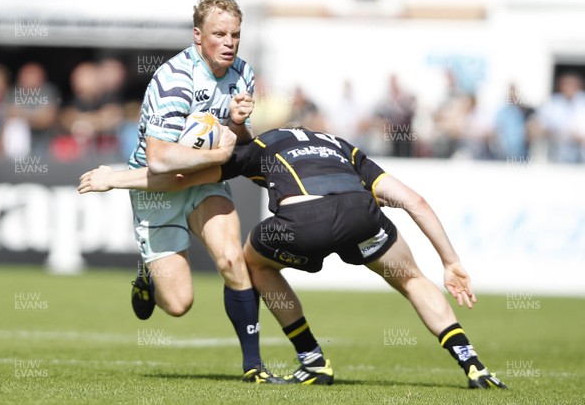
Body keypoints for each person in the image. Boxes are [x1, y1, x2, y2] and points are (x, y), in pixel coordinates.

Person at [78, 127, 508, 390]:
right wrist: (450, 262)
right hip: (361, 214)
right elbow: (414, 200)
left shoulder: (261, 148)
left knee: (251, 263)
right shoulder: (343, 148)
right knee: (414, 278)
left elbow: (176, 178)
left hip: (301, 222)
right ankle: (473, 364)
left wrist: (114, 179)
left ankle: (312, 359)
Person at [97, 0, 282, 384]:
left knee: (233, 258)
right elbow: (160, 161)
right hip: (157, 188)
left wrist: (237, 126)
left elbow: (242, 141)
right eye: (219, 34)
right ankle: (148, 279)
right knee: (180, 304)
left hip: (201, 182)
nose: (229, 42)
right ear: (198, 36)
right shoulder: (174, 79)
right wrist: (219, 155)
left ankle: (253, 366)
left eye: (235, 34)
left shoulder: (243, 73)